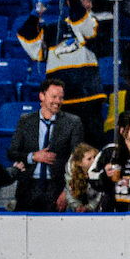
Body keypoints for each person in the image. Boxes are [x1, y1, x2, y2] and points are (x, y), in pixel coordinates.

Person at [6, 79, 83, 212]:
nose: (58, 101)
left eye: (61, 98)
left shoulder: (73, 122)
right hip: (28, 186)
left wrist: (67, 192)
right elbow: (12, 152)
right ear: (42, 96)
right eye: (54, 97)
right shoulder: (25, 121)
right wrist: (33, 156)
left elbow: (77, 160)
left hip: (56, 188)